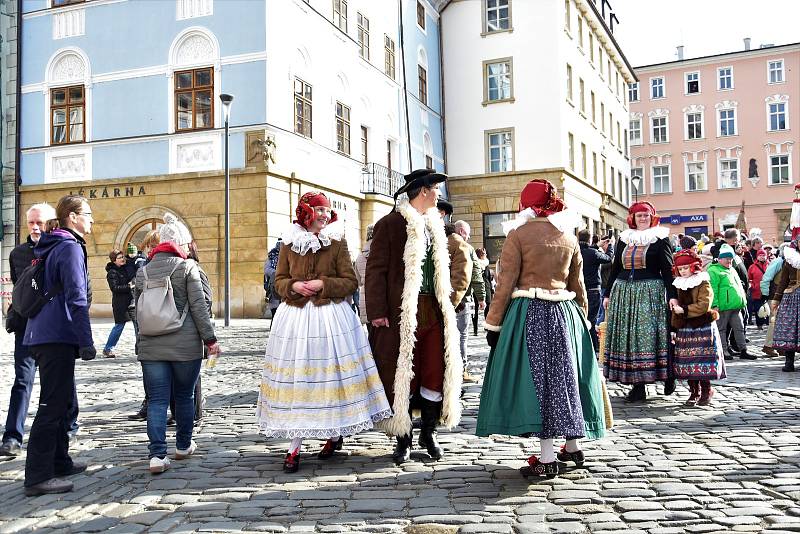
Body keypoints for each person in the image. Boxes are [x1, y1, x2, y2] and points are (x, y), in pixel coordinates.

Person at [477, 179, 605, 478]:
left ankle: (547, 458)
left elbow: (505, 283)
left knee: (540, 384)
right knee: (567, 378)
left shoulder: (518, 235)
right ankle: (572, 448)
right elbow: (579, 286)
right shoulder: (569, 237)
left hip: (530, 312)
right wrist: (583, 319)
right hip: (566, 314)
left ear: (527, 206)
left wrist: (493, 323)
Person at [257, 192, 390, 473]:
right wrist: (292, 287)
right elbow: (278, 279)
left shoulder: (337, 241)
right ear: (305, 211)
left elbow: (350, 281)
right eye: (318, 209)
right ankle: (294, 446)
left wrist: (321, 284)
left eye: (326, 210)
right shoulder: (289, 242)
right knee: (298, 383)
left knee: (330, 379)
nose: (323, 215)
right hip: (295, 321)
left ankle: (333, 433)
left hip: (331, 320)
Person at [366, 169, 463, 464]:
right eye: (435, 189)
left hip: (433, 309)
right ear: (422, 191)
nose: (438, 195)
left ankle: (429, 433)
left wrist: (449, 300)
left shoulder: (436, 229)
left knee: (434, 371)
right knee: (402, 375)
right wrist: (378, 312)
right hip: (400, 312)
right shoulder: (390, 224)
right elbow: (375, 271)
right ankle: (403, 437)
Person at [135, 213, 220, 474]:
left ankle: (157, 455)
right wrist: (210, 340)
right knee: (184, 396)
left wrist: (141, 340)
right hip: (184, 347)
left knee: (158, 400)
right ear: (181, 244)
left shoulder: (143, 271)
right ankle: (183, 445)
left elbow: (136, 310)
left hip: (151, 345)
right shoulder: (188, 268)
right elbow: (199, 308)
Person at [22, 195, 95, 496]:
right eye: (88, 214)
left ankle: (59, 460)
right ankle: (38, 476)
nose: (92, 219)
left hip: (44, 332)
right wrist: (86, 341)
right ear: (73, 217)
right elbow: (77, 297)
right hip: (56, 335)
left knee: (64, 401)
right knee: (52, 405)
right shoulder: (68, 247)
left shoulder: (52, 244)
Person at [1, 203, 79, 459]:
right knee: (22, 381)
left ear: (52, 223)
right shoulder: (18, 254)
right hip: (26, 329)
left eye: (40, 222)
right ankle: (12, 437)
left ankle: (68, 426)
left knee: (59, 383)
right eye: (31, 222)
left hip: (54, 330)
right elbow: (21, 291)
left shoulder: (63, 248)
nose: (35, 227)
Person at [603, 202, 677, 402]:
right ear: (632, 218)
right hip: (623, 293)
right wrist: (607, 293)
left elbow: (668, 270)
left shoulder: (660, 238)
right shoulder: (624, 239)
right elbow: (616, 267)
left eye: (646, 215)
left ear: (652, 217)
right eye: (639, 216)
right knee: (629, 338)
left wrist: (672, 295)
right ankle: (637, 385)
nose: (642, 218)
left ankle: (667, 374)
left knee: (649, 336)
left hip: (649, 292)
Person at [670, 249, 726, 406]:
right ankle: (694, 391)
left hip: (702, 325)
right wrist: (674, 325)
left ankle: (706, 390)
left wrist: (686, 310)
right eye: (680, 269)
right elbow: (677, 305)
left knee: (702, 358)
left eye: (686, 268)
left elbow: (704, 304)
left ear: (693, 266)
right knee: (687, 360)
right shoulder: (679, 283)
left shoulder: (703, 281)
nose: (683, 271)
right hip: (685, 327)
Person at [128, 230, 163, 421]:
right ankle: (148, 405)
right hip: (148, 326)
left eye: (154, 245)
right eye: (150, 245)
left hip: (166, 325)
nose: (151, 249)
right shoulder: (144, 267)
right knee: (149, 370)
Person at [708, 244, 753, 361]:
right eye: (727, 259)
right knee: (722, 329)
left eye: (731, 258)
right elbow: (713, 289)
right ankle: (724, 351)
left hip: (735, 305)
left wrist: (743, 300)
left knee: (739, 328)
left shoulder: (731, 269)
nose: (729, 261)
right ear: (720, 259)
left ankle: (743, 350)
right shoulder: (713, 270)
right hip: (723, 306)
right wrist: (715, 305)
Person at [454, 220, 485, 381]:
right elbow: (476, 274)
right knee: (461, 336)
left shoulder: (442, 244)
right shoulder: (468, 248)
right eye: (467, 233)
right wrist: (481, 297)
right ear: (460, 231)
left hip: (441, 299)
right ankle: (461, 370)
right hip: (461, 300)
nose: (469, 237)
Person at [187, 240, 211, 424]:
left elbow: (207, 300)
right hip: (187, 330)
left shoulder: (195, 269)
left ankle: (196, 413)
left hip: (195, 329)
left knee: (194, 375)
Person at [578, 229, 612, 351]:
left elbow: (586, 250)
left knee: (580, 318)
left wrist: (596, 246)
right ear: (590, 239)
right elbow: (608, 258)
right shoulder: (593, 253)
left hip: (579, 290)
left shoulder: (576, 251)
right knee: (591, 320)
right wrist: (610, 245)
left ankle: (582, 345)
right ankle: (594, 348)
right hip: (593, 290)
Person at [102, 249, 132, 358]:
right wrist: (129, 287)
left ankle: (141, 347)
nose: (123, 259)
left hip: (130, 301)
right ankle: (108, 348)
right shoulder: (112, 272)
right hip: (120, 304)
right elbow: (114, 288)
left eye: (123, 257)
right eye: (120, 258)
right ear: (114, 261)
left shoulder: (124, 269)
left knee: (138, 324)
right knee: (119, 325)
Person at [760, 245, 785, 357]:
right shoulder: (778, 262)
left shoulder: (787, 262)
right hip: (775, 295)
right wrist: (765, 295)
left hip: (784, 295)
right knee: (774, 321)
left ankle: (780, 346)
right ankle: (768, 346)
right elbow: (766, 278)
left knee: (783, 322)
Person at [354, 225, 374, 325]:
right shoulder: (382, 253)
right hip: (381, 302)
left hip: (365, 300)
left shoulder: (360, 256)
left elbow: (356, 280)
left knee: (371, 336)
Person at [747, 250, 769, 330]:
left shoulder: (770, 265)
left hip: (768, 291)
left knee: (768, 307)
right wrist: (753, 286)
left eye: (764, 255)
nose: (762, 257)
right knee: (758, 309)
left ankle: (768, 323)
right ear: (757, 256)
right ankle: (759, 325)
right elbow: (749, 279)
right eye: (760, 255)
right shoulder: (752, 267)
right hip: (757, 291)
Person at [263, 239, 283, 320]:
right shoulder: (271, 257)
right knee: (275, 313)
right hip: (274, 285)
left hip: (285, 286)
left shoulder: (289, 256)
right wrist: (279, 272)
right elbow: (267, 270)